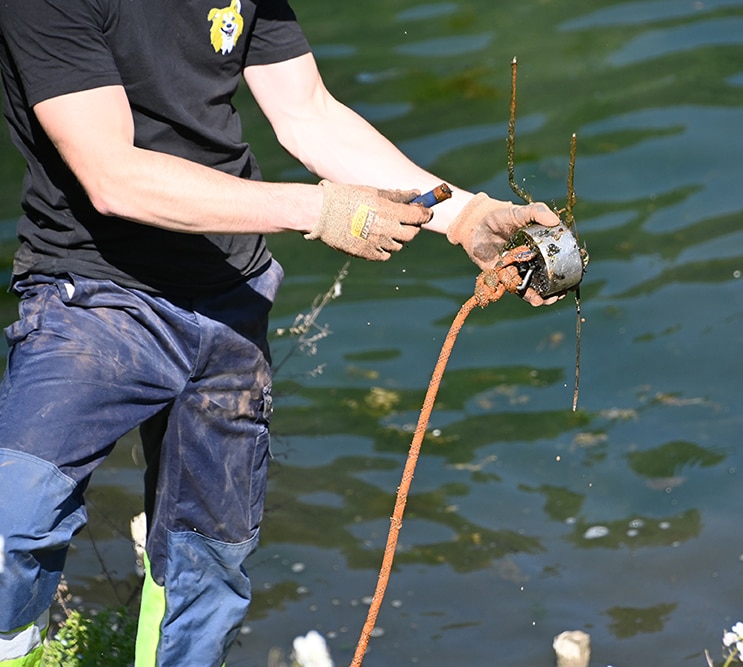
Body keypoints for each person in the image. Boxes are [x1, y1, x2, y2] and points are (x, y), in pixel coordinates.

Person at [0, 0, 561, 664]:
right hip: (95, 292)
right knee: (14, 520)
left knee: (205, 568)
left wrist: (467, 215)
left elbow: (308, 112)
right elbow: (112, 176)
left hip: (230, 294)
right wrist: (317, 207)